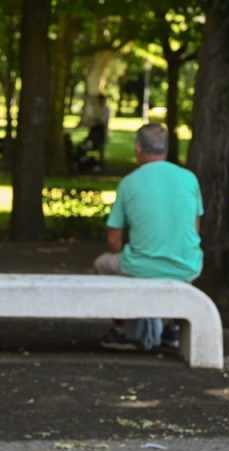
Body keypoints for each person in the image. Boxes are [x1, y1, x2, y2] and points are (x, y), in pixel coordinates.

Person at [94, 123, 204, 351]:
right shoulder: (189, 179)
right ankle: (173, 328)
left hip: (141, 265)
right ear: (165, 148)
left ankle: (120, 330)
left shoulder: (129, 183)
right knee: (181, 258)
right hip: (187, 265)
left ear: (138, 149)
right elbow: (194, 231)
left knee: (102, 264)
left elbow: (113, 240)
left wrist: (130, 254)